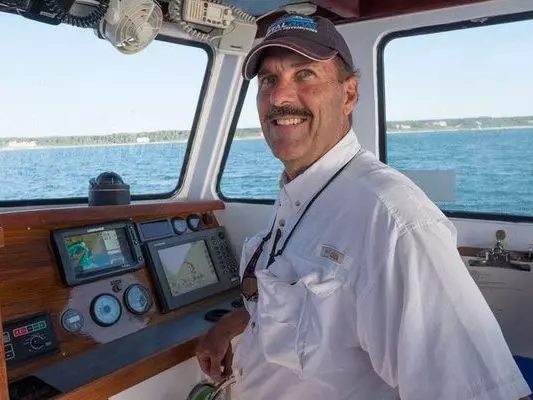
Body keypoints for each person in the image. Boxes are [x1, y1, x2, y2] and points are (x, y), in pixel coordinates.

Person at [195, 13, 531, 400]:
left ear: (349, 94)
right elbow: (317, 308)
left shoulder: (395, 222)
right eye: (269, 80)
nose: (279, 97)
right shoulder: (300, 194)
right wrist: (225, 329)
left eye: (304, 75)